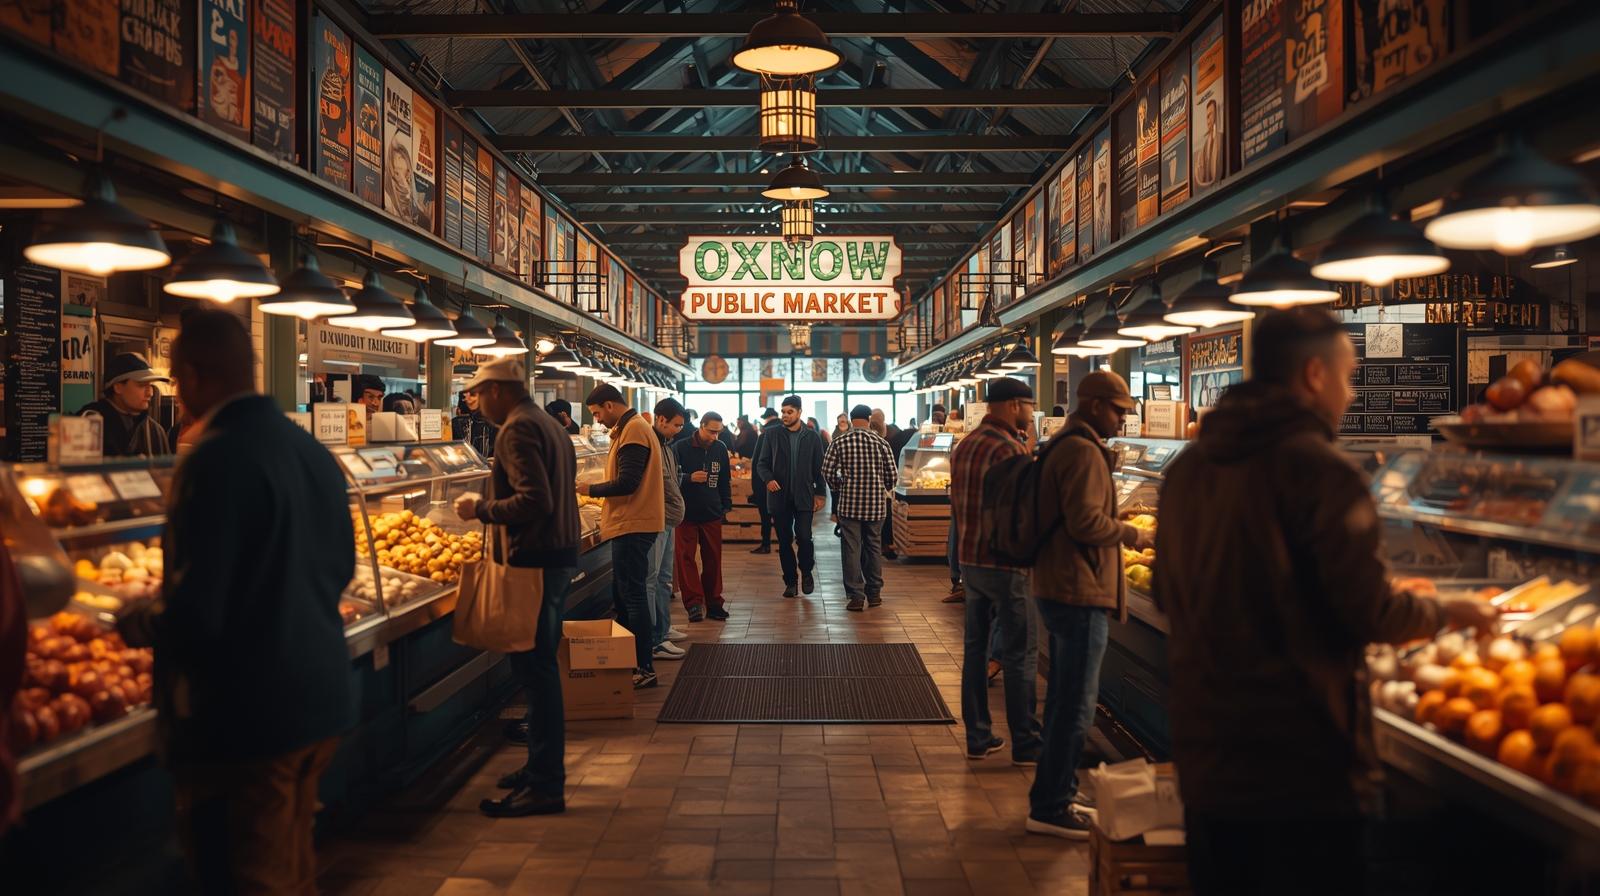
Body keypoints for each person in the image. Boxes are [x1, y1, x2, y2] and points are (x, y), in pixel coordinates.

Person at [1154, 309, 1496, 891]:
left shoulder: (1187, 468)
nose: (1351, 390)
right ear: (1314, 375)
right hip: (1300, 769)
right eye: (1349, 375)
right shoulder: (1319, 470)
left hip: (1207, 756)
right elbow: (1371, 613)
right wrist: (1453, 611)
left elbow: (1165, 592)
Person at [116, 309, 353, 892]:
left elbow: (200, 615)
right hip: (318, 699)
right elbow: (341, 568)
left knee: (249, 878)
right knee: (290, 865)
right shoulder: (310, 451)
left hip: (249, 720)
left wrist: (137, 618)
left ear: (194, 375)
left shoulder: (215, 459)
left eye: (173, 379)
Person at [1023, 371, 1150, 840]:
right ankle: (1052, 807)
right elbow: (1086, 525)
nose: (1122, 420)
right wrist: (1137, 533)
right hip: (1077, 589)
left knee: (1064, 699)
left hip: (1062, 586)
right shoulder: (1082, 450)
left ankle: (1056, 791)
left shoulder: (1067, 445)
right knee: (1076, 703)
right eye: (1119, 411)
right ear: (1096, 405)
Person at [452, 357, 579, 818]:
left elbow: (534, 499)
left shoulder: (517, 429)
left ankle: (546, 785)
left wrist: (480, 509)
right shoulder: (546, 423)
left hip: (535, 562)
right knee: (538, 669)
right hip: (556, 557)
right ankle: (538, 768)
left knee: (536, 671)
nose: (476, 401)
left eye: (479, 392)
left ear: (498, 391)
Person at [948, 377, 1044, 770]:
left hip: (971, 560)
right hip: (1006, 564)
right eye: (1027, 405)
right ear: (1011, 405)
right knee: (1020, 652)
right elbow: (1027, 507)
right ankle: (1025, 741)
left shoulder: (966, 444)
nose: (1030, 412)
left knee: (975, 649)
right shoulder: (1008, 448)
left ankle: (978, 736)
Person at [580, 385, 665, 689]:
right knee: (625, 594)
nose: (598, 420)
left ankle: (643, 667)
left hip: (634, 523)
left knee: (633, 596)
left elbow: (628, 482)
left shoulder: (633, 431)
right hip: (631, 522)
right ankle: (631, 662)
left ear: (609, 405)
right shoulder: (630, 428)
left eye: (597, 413)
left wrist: (589, 489)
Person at [822, 405, 897, 612]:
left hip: (849, 506)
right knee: (873, 547)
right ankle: (874, 595)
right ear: (869, 419)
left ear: (852, 419)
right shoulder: (881, 443)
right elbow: (893, 476)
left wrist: (839, 487)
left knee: (851, 549)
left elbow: (827, 470)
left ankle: (856, 596)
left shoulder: (839, 441)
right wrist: (883, 487)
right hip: (875, 506)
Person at [756, 396, 826, 598]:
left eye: (789, 412)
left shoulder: (812, 437)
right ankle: (790, 581)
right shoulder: (772, 434)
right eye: (783, 412)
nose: (785, 416)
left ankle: (806, 572)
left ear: (799, 413)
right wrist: (768, 479)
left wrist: (820, 493)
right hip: (779, 497)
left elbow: (819, 468)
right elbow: (762, 463)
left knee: (804, 537)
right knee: (784, 541)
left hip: (804, 496)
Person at [675, 412, 733, 623]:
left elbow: (725, 479)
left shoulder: (720, 448)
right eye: (711, 431)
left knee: (713, 559)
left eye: (719, 432)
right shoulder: (680, 447)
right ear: (701, 426)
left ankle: (714, 603)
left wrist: (726, 504)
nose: (715, 436)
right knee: (685, 559)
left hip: (712, 512)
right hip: (685, 513)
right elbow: (669, 478)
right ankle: (693, 604)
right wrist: (689, 478)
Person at [648, 399, 689, 658]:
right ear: (660, 419)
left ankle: (663, 629)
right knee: (650, 580)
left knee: (664, 579)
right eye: (676, 425)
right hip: (655, 518)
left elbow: (672, 478)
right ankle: (654, 640)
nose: (678, 430)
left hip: (669, 519)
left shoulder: (666, 445)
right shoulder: (650, 443)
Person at [80, 352, 172, 457]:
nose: (150, 393)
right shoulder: (88, 422)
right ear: (118, 387)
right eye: (142, 385)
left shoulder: (154, 431)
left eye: (150, 385)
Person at [747, 408, 781, 555]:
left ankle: (766, 544)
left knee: (765, 517)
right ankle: (784, 543)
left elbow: (757, 464)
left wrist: (756, 488)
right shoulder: (788, 433)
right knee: (782, 516)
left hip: (764, 483)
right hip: (783, 485)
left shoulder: (765, 435)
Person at [453, 390, 498, 459]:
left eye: (472, 395)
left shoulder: (493, 423)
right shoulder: (457, 423)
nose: (468, 398)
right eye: (465, 396)